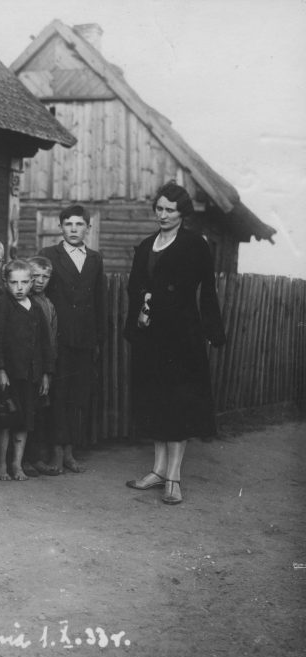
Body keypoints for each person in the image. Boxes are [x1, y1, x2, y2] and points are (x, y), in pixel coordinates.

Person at [124, 181, 226, 505]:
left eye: (170, 210)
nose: (163, 215)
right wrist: (139, 314)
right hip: (150, 336)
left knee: (177, 405)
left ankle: (174, 477)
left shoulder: (195, 245)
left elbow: (206, 292)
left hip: (181, 338)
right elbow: (134, 287)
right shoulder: (144, 246)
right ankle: (156, 470)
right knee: (154, 402)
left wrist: (213, 331)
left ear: (182, 213)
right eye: (159, 208)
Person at [39, 205, 106, 472]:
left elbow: (100, 300)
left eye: (80, 225)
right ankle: (56, 453)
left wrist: (99, 338)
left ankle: (69, 452)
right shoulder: (48, 255)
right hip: (58, 339)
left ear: (88, 228)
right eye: (69, 224)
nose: (74, 229)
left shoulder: (94, 259)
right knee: (58, 395)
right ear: (61, 227)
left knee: (78, 396)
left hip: (85, 340)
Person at [0, 260, 54, 482]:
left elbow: (45, 343)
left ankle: (17, 464)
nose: (20, 287)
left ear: (32, 283)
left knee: (25, 420)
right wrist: (0, 369)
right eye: (14, 282)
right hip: (10, 374)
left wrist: (46, 373)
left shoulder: (36, 307)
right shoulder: (4, 305)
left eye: (25, 282)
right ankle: (1, 465)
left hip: (31, 374)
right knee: (7, 419)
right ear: (5, 283)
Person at [25, 255, 59, 477]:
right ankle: (23, 459)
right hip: (25, 367)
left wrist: (48, 370)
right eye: (35, 276)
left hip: (43, 368)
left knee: (40, 413)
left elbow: (52, 340)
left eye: (45, 277)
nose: (39, 281)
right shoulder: (23, 302)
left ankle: (36, 457)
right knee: (23, 412)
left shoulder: (48, 304)